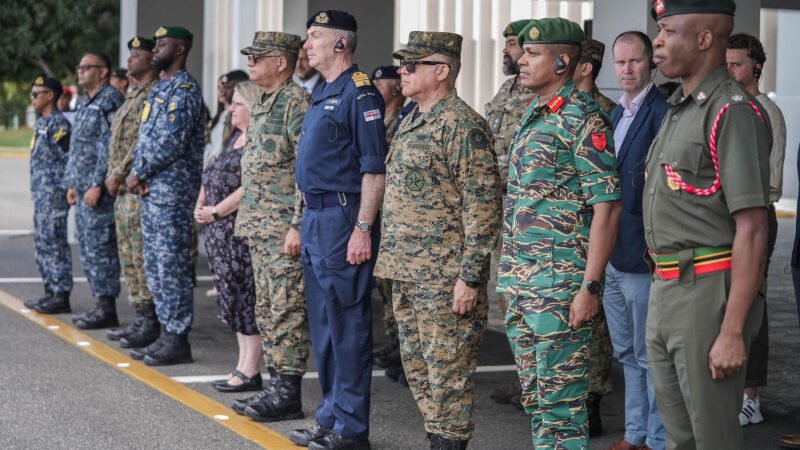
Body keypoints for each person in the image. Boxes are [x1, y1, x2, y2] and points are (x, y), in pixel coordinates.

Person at [645, 1, 771, 449]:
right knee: (680, 438)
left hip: (707, 290)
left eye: (667, 30)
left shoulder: (732, 110)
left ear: (704, 39)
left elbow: (754, 228)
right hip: (667, 286)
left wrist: (733, 331)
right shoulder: (681, 107)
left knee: (713, 438)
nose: (657, 42)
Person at [497, 18, 622, 449]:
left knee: (562, 408)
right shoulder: (535, 112)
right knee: (536, 399)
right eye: (523, 53)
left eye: (533, 55)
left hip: (559, 285)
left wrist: (589, 286)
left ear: (564, 61)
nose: (522, 61)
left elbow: (607, 208)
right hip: (522, 282)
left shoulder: (584, 119)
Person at [374, 31, 502, 450]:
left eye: (412, 65)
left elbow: (482, 207)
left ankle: (449, 442)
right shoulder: (414, 117)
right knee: (419, 370)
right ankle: (439, 438)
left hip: (444, 278)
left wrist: (470, 276)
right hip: (408, 270)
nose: (402, 72)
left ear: (441, 71)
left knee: (448, 374)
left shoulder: (462, 126)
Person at [289, 10, 387, 450]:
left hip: (343, 218)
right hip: (315, 219)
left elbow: (373, 169)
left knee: (347, 326)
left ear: (341, 44)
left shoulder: (359, 94)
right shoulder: (323, 91)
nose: (307, 45)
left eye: (315, 37)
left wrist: (363, 229)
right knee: (324, 326)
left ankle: (351, 429)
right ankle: (329, 418)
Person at [230, 31, 311, 421]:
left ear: (282, 62)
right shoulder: (263, 102)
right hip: (259, 227)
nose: (251, 62)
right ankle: (276, 384)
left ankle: (287, 391)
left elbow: (306, 171)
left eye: (258, 56)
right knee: (268, 309)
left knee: (286, 310)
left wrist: (297, 223)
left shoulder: (295, 103)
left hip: (281, 229)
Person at [126, 25, 205, 366]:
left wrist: (139, 173)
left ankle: (177, 337)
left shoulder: (185, 90)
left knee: (171, 265)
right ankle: (164, 332)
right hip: (152, 189)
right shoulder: (160, 90)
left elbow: (171, 142)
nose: (155, 50)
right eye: (155, 45)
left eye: (163, 44)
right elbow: (146, 139)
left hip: (171, 193)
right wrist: (139, 174)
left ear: (181, 49)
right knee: (155, 264)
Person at [605, 30, 668, 450]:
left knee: (650, 356)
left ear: (651, 64)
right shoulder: (616, 114)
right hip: (611, 253)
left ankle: (659, 438)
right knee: (625, 353)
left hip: (642, 254)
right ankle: (635, 433)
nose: (627, 70)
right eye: (621, 62)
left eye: (635, 62)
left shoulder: (662, 111)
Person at [726, 32, 787, 428]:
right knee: (726, 304)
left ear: (757, 67)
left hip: (756, 216)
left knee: (754, 308)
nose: (730, 70)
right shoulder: (729, 107)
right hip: (725, 218)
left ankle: (752, 397)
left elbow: (772, 182)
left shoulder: (767, 112)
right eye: (726, 63)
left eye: (737, 64)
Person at [194, 81, 262, 393]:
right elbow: (212, 171)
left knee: (246, 298)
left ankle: (250, 369)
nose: (231, 109)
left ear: (252, 107)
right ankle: (241, 363)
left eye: (237, 104)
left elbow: (247, 187)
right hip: (218, 232)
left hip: (238, 230)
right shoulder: (234, 138)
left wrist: (216, 211)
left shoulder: (257, 142)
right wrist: (201, 203)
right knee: (231, 297)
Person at [46, 52, 123, 322]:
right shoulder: (86, 101)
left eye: (85, 67)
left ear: (102, 72)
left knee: (101, 248)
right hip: (82, 189)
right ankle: (99, 304)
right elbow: (80, 147)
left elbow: (109, 146)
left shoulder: (110, 100)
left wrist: (96, 184)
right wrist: (73, 184)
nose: (80, 71)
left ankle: (106, 307)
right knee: (88, 248)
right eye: (79, 67)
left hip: (97, 190)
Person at [484, 18, 533, 410]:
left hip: (529, 217)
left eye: (514, 44)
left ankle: (540, 386)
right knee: (510, 303)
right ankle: (524, 380)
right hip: (501, 215)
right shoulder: (506, 90)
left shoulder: (538, 94)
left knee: (531, 304)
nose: (507, 50)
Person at [570, 35, 617, 435]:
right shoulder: (559, 109)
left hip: (591, 234)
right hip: (565, 236)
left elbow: (608, 191)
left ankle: (593, 399)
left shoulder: (605, 114)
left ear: (586, 67)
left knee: (595, 327)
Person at [103, 36, 161, 347]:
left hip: (135, 187)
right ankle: (140, 317)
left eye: (137, 55)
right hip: (122, 191)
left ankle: (150, 320)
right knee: (128, 256)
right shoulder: (131, 95)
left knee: (141, 256)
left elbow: (141, 142)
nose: (130, 60)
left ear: (151, 59)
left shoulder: (152, 94)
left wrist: (117, 174)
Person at [368, 64, 406, 383]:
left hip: (399, 214)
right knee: (385, 283)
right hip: (381, 212)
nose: (374, 88)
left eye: (379, 84)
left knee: (397, 286)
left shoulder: (405, 120)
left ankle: (404, 348)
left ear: (395, 89)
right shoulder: (375, 120)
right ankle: (395, 341)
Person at [24, 76, 73, 312]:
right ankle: (50, 290)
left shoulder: (58, 126)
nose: (33, 98)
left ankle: (61, 294)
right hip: (41, 195)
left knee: (55, 244)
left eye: (36, 94)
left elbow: (68, 158)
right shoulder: (41, 123)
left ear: (50, 96)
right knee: (43, 243)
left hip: (54, 194)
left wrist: (67, 189)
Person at [205, 70, 249, 168]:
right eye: (219, 88)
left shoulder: (238, 119)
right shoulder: (221, 117)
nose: (222, 91)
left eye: (228, 87)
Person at [574, 38, 618, 115]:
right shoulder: (559, 100)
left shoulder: (608, 110)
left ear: (586, 68)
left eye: (571, 62)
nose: (565, 66)